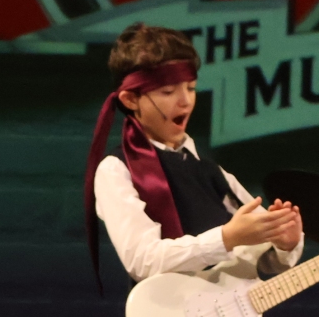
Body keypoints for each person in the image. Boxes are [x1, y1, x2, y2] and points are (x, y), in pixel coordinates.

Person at [84, 23, 302, 291]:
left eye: (191, 87)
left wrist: (283, 242)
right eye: (168, 91)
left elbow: (265, 263)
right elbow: (142, 261)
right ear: (130, 100)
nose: (185, 101)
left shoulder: (214, 173)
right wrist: (226, 237)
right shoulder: (117, 170)